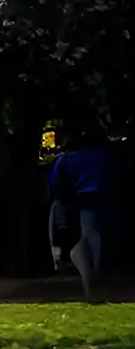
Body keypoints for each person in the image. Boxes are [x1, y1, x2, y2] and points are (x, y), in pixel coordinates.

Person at [49, 122, 116, 301]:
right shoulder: (105, 156)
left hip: (81, 201)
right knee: (93, 237)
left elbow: (55, 188)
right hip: (100, 199)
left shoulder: (66, 159)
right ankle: (94, 276)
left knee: (87, 239)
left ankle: (89, 278)